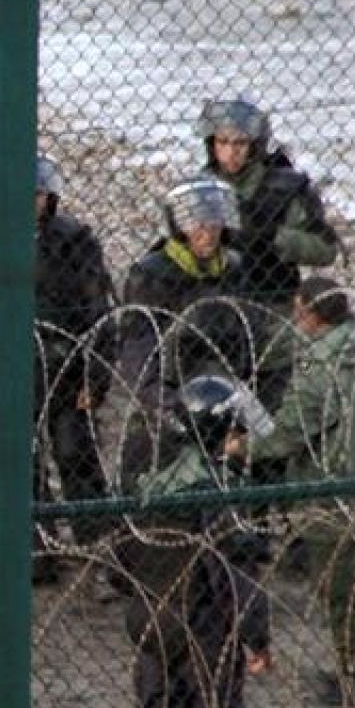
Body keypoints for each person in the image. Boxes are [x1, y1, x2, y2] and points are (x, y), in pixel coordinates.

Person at [112, 374, 271, 708]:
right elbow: (234, 578)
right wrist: (257, 638)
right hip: (202, 626)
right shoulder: (217, 493)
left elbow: (119, 561)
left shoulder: (150, 483)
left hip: (150, 619)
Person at [226, 276, 355, 706]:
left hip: (335, 490)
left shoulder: (321, 366)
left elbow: (291, 432)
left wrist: (240, 447)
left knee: (341, 591)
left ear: (309, 312)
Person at [0, 154, 119, 585]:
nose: (31, 202)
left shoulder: (76, 241)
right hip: (8, 370)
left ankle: (97, 551)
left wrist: (95, 379)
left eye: (38, 194)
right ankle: (37, 550)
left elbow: (100, 313)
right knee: (20, 463)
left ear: (50, 198)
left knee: (76, 454)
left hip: (66, 370)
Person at [111, 176, 254, 485]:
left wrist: (243, 379)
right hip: (172, 383)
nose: (208, 234)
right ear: (180, 228)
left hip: (225, 380)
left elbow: (247, 331)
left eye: (214, 225)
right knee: (159, 461)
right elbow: (138, 344)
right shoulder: (152, 274)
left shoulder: (233, 268)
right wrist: (162, 399)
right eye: (198, 225)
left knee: (259, 439)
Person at [197, 95, 340, 306]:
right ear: (212, 145)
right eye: (223, 142)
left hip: (273, 299)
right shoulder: (200, 186)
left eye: (240, 143)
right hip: (211, 299)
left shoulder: (282, 188)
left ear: (255, 145)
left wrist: (272, 236)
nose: (231, 152)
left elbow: (326, 250)